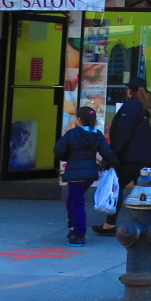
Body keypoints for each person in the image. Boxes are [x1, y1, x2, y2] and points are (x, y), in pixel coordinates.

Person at [93, 79, 151, 237]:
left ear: (130, 91)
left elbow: (122, 134)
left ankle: (109, 224)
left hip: (131, 159)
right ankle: (148, 223)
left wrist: (111, 156)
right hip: (150, 160)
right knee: (145, 190)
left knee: (117, 187)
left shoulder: (131, 107)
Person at [53, 105, 110, 245]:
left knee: (76, 202)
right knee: (72, 200)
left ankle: (79, 234)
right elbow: (107, 152)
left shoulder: (72, 134)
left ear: (79, 120)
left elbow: (58, 150)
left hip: (75, 174)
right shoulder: (96, 134)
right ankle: (73, 228)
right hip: (90, 174)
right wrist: (112, 164)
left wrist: (67, 157)